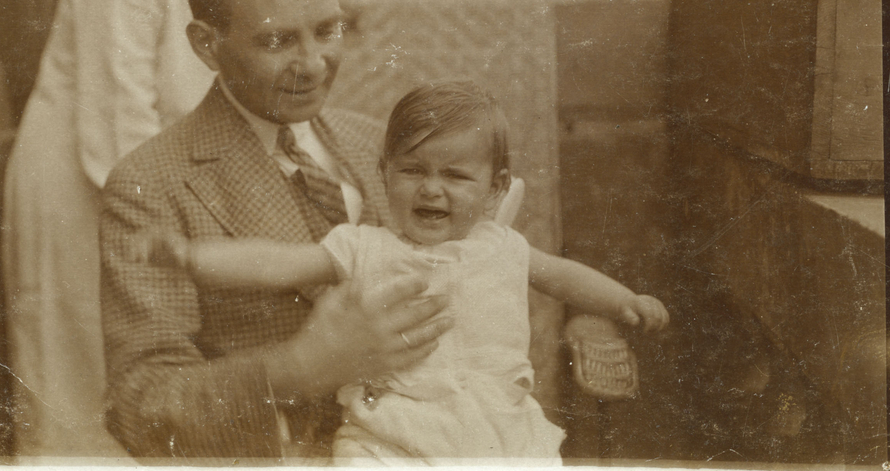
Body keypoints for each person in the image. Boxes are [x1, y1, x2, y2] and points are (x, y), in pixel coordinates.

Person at [2, 0, 342, 456]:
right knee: (85, 399)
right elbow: (115, 113)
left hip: (158, 200)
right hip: (90, 191)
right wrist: (177, 228)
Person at [140, 80, 670, 461]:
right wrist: (191, 256)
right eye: (412, 170)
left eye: (455, 176)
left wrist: (623, 301)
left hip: (499, 429)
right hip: (389, 432)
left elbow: (566, 277)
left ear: (495, 189)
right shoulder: (363, 246)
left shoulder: (504, 246)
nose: (431, 189)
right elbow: (275, 264)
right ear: (384, 173)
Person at [99, 0, 450, 459]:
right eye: (276, 41)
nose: (313, 64)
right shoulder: (151, 185)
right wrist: (297, 369)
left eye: (327, 30)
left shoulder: (378, 145)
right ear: (206, 45)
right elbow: (141, 407)